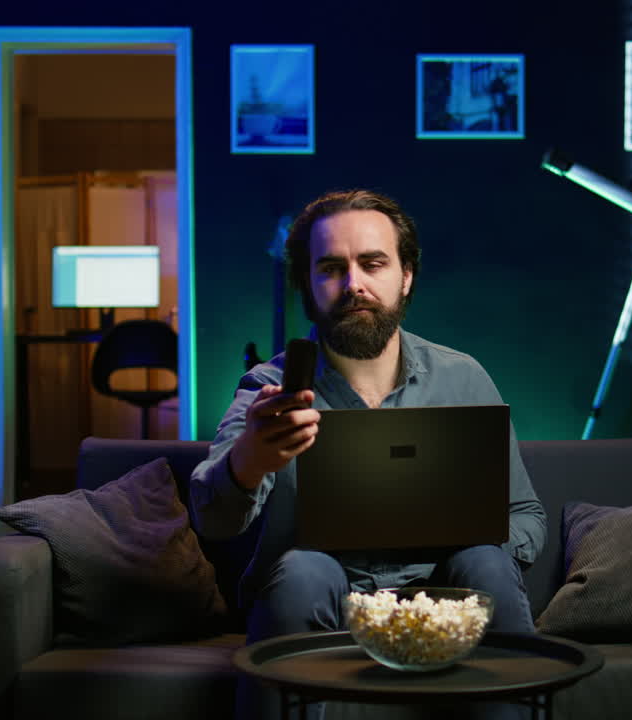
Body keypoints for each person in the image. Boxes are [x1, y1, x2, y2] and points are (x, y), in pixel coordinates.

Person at [190, 189, 545, 719]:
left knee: (487, 562)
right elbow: (211, 518)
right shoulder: (269, 389)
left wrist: (469, 535)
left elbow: (528, 518)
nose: (353, 284)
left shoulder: (462, 377)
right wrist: (250, 460)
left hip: (441, 602)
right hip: (320, 600)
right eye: (332, 267)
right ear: (308, 286)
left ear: (405, 276)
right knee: (304, 570)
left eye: (373, 263)